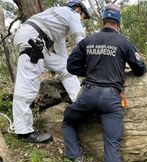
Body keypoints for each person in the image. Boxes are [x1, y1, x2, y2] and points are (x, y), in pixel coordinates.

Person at [62, 3, 147, 162]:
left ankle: (77, 159)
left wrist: (90, 71)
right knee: (111, 145)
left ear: (103, 20)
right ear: (119, 22)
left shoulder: (88, 40)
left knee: (68, 122)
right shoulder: (124, 42)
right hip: (111, 99)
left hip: (89, 94)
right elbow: (139, 69)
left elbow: (71, 66)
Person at [12, 0, 90, 143]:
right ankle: (24, 132)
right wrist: (91, 64)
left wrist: (71, 66)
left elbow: (63, 55)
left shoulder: (59, 19)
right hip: (33, 40)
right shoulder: (72, 14)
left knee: (65, 67)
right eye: (83, 18)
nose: (82, 21)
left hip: (35, 38)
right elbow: (81, 42)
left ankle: (78, 100)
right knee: (27, 85)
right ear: (78, 9)